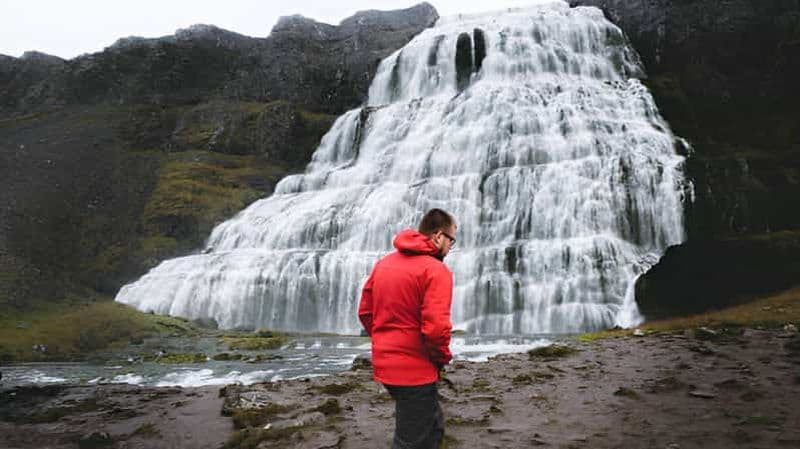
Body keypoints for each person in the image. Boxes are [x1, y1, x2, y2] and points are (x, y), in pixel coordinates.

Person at [358, 208, 457, 449]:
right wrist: (442, 358)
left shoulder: (384, 264)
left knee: (432, 426)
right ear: (437, 236)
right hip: (415, 370)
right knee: (411, 440)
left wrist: (385, 342)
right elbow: (436, 329)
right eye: (451, 239)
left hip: (386, 365)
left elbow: (365, 313)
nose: (451, 246)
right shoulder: (435, 270)